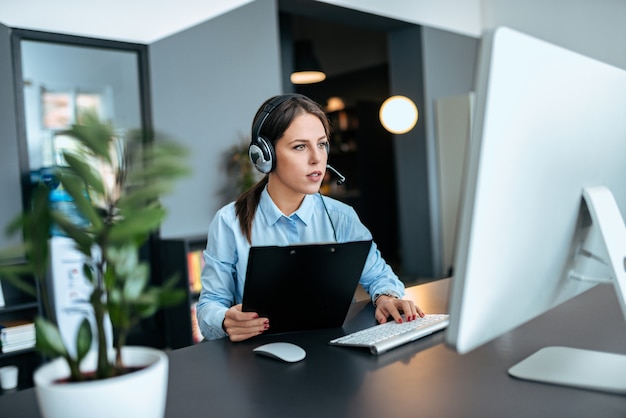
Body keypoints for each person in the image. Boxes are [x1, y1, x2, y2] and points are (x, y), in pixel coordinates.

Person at [196, 93, 424, 342]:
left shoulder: (342, 217)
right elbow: (209, 306)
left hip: (334, 352)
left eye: (322, 144)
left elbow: (379, 276)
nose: (317, 159)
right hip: (257, 359)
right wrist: (224, 319)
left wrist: (386, 297)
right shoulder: (229, 222)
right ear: (265, 156)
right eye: (300, 146)